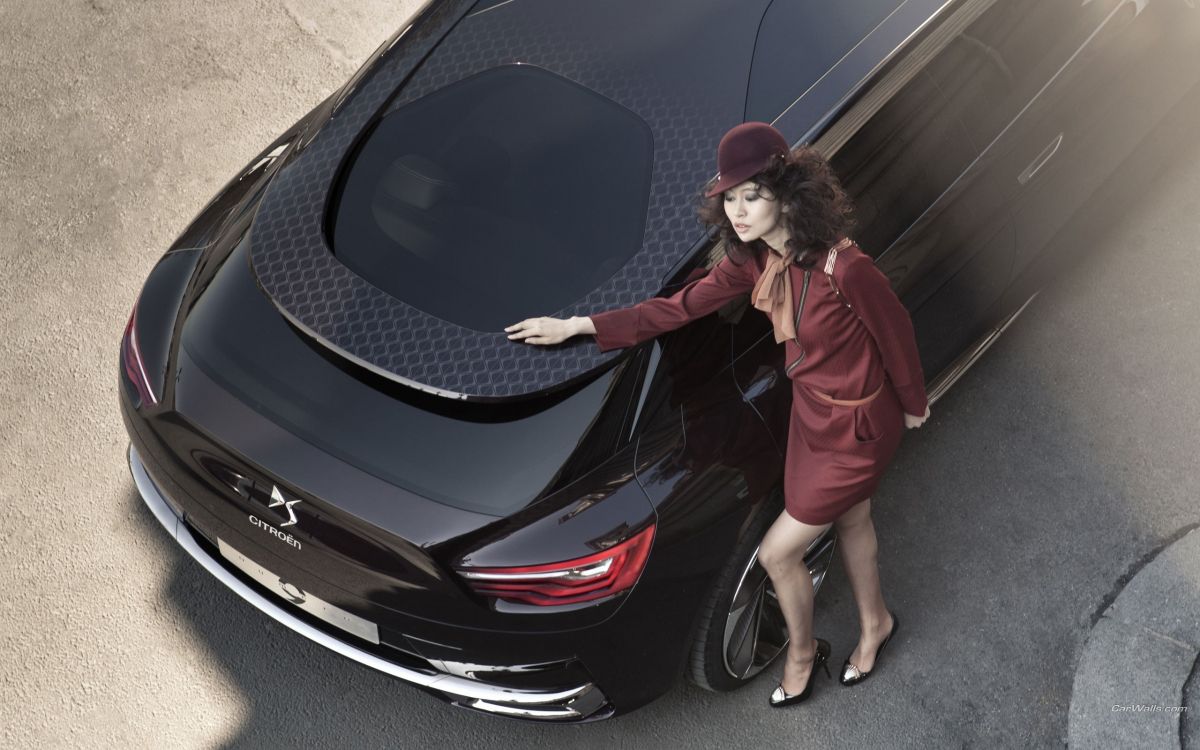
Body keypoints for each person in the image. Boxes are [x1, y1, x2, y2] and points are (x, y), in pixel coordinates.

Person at [504, 121, 930, 708]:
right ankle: (875, 622)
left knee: (779, 552)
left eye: (750, 195)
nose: (737, 209)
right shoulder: (751, 263)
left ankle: (802, 655)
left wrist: (913, 405)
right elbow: (676, 309)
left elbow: (897, 334)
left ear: (787, 194)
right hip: (811, 420)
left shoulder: (845, 269)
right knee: (853, 522)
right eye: (729, 198)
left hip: (859, 427)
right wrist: (582, 326)